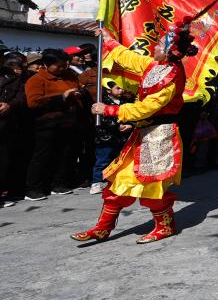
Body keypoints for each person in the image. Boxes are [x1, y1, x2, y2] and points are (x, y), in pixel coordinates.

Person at [71, 23, 200, 243]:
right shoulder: (154, 65)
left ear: (169, 51)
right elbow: (128, 57)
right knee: (120, 181)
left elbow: (148, 107)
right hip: (142, 133)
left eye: (159, 45)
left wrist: (110, 110)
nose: (155, 47)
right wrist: (107, 38)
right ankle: (103, 227)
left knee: (153, 185)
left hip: (160, 135)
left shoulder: (171, 75)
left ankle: (165, 226)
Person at [24, 50, 87, 200]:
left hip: (69, 122)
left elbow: (79, 87)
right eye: (58, 66)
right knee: (42, 156)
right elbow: (33, 102)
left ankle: (59, 184)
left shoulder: (70, 75)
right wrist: (62, 97)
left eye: (65, 65)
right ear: (46, 65)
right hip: (48, 124)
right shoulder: (37, 80)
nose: (62, 68)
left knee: (65, 154)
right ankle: (34, 188)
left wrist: (79, 94)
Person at [90, 79, 131, 194]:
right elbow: (102, 120)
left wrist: (130, 125)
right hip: (105, 137)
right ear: (108, 90)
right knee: (103, 160)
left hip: (121, 137)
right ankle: (96, 182)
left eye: (122, 88)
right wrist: (117, 126)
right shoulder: (102, 103)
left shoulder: (125, 101)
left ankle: (117, 180)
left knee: (119, 159)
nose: (121, 90)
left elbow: (131, 115)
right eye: (118, 88)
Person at [0, 54, 28, 208]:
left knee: (4, 161)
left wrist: (9, 105)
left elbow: (21, 97)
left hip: (7, 125)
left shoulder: (13, 79)